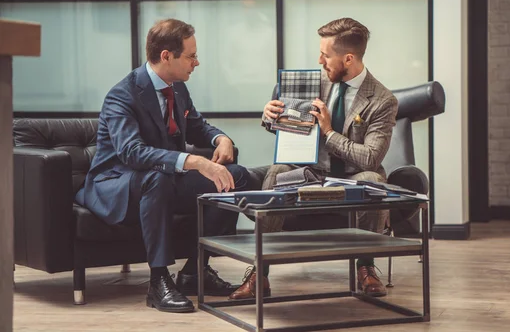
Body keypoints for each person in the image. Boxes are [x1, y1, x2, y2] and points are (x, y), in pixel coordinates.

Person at [76, 19, 249, 313]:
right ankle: (158, 282)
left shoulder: (177, 88)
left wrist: (222, 139)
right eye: (191, 56)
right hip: (117, 184)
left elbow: (197, 127)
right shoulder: (123, 95)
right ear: (166, 56)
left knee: (236, 177)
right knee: (155, 179)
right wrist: (194, 162)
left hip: (164, 179)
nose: (197, 62)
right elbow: (131, 152)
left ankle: (195, 273)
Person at [229, 17, 399, 300]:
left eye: (326, 54)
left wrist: (329, 132)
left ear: (348, 58)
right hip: (310, 172)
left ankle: (366, 267)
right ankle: (260, 273)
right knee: (277, 171)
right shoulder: (310, 82)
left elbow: (369, 158)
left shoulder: (382, 100)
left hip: (352, 174)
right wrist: (271, 118)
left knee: (373, 181)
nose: (319, 59)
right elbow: (290, 131)